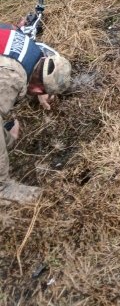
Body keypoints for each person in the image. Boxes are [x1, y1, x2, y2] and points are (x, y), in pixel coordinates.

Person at [0, 23, 71, 204]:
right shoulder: (12, 76)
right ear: (39, 88)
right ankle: (3, 189)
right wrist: (7, 139)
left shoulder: (31, 48)